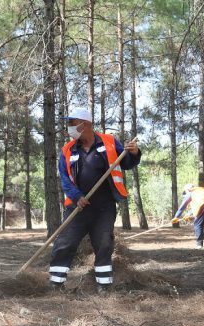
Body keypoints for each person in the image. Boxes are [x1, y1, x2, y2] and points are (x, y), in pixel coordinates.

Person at [49, 107, 141, 293]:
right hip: (78, 207)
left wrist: (133, 153)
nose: (69, 127)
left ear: (86, 124)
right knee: (65, 242)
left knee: (104, 243)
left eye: (72, 123)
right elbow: (65, 179)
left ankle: (103, 285)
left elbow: (127, 163)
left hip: (104, 207)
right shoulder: (67, 150)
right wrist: (77, 197)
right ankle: (56, 284)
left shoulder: (109, 142)